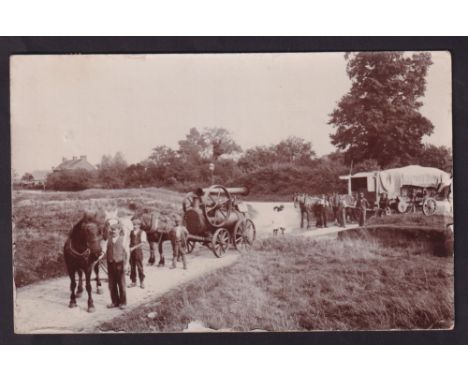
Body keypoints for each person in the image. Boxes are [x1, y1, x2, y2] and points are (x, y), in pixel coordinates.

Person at [106, 221, 128, 310]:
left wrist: (127, 264)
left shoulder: (123, 239)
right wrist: (98, 257)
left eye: (115, 230)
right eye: (112, 230)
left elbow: (127, 252)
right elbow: (104, 250)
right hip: (110, 264)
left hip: (120, 263)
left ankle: (123, 303)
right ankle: (114, 302)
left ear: (119, 230)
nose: (113, 231)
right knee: (112, 285)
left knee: (121, 284)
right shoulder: (108, 239)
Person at [128, 217, 147, 289]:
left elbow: (142, 243)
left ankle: (142, 282)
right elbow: (130, 241)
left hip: (138, 252)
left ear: (139, 225)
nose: (134, 226)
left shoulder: (142, 232)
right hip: (131, 252)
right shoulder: (131, 232)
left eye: (136, 225)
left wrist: (133, 248)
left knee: (139, 267)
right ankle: (133, 281)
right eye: (133, 225)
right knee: (132, 267)